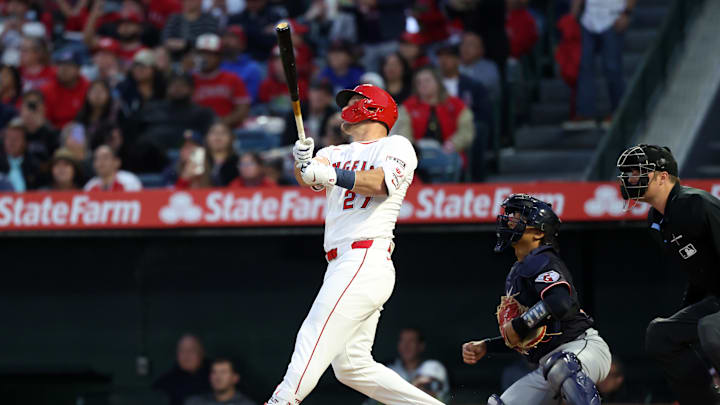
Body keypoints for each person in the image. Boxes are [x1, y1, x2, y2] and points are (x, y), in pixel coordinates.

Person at [265, 84, 443, 405]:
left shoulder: (396, 145)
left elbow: (380, 183)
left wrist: (328, 173)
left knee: (314, 330)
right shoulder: (334, 152)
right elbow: (309, 178)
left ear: (374, 109)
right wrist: (302, 161)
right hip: (342, 263)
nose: (347, 107)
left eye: (355, 101)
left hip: (365, 257)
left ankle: (283, 399)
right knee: (351, 367)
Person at [462, 193, 611, 405]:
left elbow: (560, 302)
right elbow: (526, 337)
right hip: (548, 365)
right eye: (510, 215)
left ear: (539, 233)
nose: (509, 220)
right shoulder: (517, 271)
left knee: (561, 367)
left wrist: (521, 324)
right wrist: (488, 346)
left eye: (518, 217)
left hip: (581, 348)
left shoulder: (542, 259)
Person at [616, 144, 720, 404]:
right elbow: (699, 273)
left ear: (663, 176)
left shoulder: (696, 203)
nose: (630, 179)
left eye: (638, 172)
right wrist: (685, 313)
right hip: (716, 297)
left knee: (709, 327)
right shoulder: (656, 220)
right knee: (661, 334)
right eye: (627, 173)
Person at [570, 0, 635, 128]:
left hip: (613, 16)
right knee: (584, 65)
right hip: (588, 18)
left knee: (612, 67)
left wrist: (627, 13)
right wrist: (573, 16)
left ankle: (619, 111)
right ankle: (585, 113)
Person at [394, 67, 475, 156]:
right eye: (419, 82)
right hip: (417, 156)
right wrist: (412, 149)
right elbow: (404, 133)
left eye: (427, 81)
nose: (423, 85)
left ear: (438, 82)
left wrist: (453, 144)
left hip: (451, 155)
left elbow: (466, 131)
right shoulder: (407, 107)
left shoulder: (457, 106)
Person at [364, 327, 449, 404]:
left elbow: (424, 390)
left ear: (421, 346)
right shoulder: (390, 369)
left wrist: (392, 390)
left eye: (411, 341)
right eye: (402, 341)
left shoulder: (433, 366)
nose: (406, 346)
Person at [192, 33, 250, 128]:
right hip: (196, 129)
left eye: (211, 54)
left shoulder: (232, 79)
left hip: (227, 129)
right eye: (202, 53)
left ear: (219, 57)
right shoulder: (189, 79)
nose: (206, 57)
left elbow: (243, 110)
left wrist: (221, 124)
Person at [154, 334, 212, 405]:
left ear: (201, 352)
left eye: (191, 350)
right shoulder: (167, 382)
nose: (186, 355)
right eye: (182, 350)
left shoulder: (215, 376)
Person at [116, 49, 167, 125]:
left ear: (153, 69)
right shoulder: (123, 88)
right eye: (135, 66)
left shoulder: (163, 88)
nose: (138, 69)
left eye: (143, 66)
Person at [41, 49, 90, 129]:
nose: (64, 69)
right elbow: (44, 120)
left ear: (78, 69)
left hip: (80, 131)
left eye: (69, 65)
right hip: (54, 131)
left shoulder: (88, 88)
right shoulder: (46, 89)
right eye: (61, 64)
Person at [281, 80, 336, 146]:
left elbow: (333, 142)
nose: (318, 96)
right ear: (309, 93)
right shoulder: (296, 112)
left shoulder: (333, 116)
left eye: (325, 93)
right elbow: (287, 139)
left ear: (330, 99)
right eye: (316, 91)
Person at [220, 25, 263, 104]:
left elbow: (250, 99)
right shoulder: (215, 65)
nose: (227, 41)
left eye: (232, 37)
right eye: (225, 36)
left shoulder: (252, 68)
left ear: (242, 44)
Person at [185, 358, 257, 405]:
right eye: (214, 372)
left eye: (223, 372)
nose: (218, 377)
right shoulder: (195, 402)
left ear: (235, 378)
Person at [75, 80, 120, 150]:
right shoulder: (80, 116)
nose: (97, 95)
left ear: (108, 95)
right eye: (94, 91)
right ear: (88, 94)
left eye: (101, 91)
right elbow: (76, 139)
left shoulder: (114, 116)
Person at [0, 118, 44, 191]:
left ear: (25, 142)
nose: (12, 142)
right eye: (8, 138)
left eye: (16, 138)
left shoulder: (34, 166)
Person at [459, 31, 501, 102]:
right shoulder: (453, 64)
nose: (466, 48)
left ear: (481, 50)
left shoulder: (489, 68)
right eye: (463, 43)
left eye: (471, 45)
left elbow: (489, 91)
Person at [205, 122, 239, 186]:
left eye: (223, 133)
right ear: (206, 137)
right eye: (213, 132)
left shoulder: (238, 162)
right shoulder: (198, 161)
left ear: (231, 138)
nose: (218, 135)